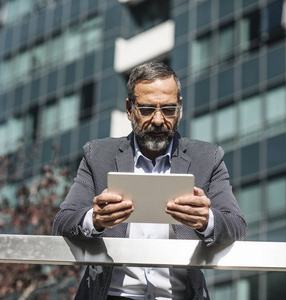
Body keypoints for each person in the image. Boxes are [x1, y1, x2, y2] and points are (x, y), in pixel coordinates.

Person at [52, 61, 247, 300]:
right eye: (146, 110)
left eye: (168, 110)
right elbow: (62, 222)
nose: (157, 120)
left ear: (181, 109)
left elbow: (236, 225)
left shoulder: (208, 158)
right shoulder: (98, 156)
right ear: (129, 109)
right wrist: (95, 219)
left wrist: (207, 220)